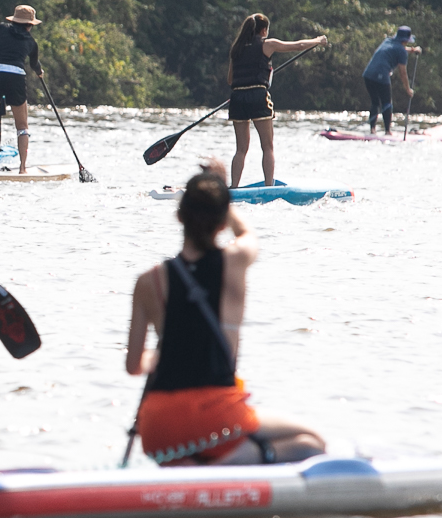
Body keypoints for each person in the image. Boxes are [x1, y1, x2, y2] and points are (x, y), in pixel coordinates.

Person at [124, 162, 326, 465]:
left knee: (195, 438)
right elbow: (247, 233)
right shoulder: (235, 261)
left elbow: (133, 366)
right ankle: (225, 464)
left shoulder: (147, 281)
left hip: (157, 428)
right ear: (221, 223)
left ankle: (193, 463)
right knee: (312, 443)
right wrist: (222, 193)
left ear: (179, 217)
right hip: (215, 418)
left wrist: (160, 356)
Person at [226, 13, 327, 187]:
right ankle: (268, 186)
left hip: (237, 98)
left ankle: (233, 188)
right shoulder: (267, 44)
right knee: (267, 146)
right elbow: (298, 45)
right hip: (257, 96)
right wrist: (317, 41)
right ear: (263, 30)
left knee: (241, 149)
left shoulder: (237, 48)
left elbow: (230, 80)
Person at [0, 6, 43, 174]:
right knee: (22, 126)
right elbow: (34, 64)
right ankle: (22, 168)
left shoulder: (1, 29)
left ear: (14, 20)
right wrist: (40, 72)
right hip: (15, 76)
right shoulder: (31, 42)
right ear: (30, 25)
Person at [360, 25, 419, 135]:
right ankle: (387, 131)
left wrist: (411, 50)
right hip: (381, 76)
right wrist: (408, 89)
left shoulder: (387, 41)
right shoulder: (401, 51)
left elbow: (396, 48)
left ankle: (372, 130)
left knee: (375, 103)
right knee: (387, 104)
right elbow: (403, 73)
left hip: (368, 75)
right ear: (406, 40)